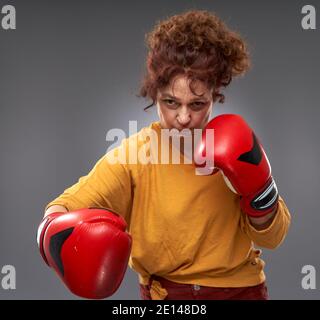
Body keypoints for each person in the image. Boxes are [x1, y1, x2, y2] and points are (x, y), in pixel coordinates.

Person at [37, 10, 291, 300]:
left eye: (197, 104)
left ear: (214, 94)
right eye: (171, 102)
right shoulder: (134, 156)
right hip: (166, 298)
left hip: (241, 292)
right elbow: (60, 210)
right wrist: (61, 244)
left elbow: (274, 236)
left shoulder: (235, 144)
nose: (183, 117)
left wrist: (258, 190)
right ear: (155, 91)